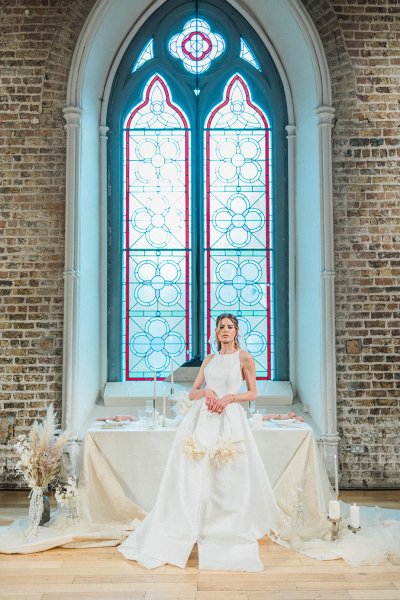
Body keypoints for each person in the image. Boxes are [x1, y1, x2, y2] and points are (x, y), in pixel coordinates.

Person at [118, 313, 279, 571]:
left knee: (227, 473)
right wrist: (205, 392)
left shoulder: (244, 357)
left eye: (229, 327)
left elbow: (253, 392)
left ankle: (224, 528)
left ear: (236, 331)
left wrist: (228, 398)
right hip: (204, 416)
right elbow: (192, 392)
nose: (225, 330)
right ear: (215, 333)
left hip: (229, 417)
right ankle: (193, 523)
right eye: (221, 327)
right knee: (194, 473)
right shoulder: (210, 359)